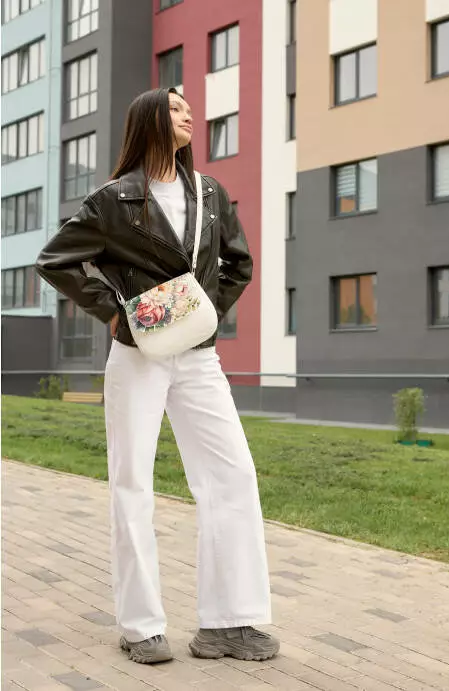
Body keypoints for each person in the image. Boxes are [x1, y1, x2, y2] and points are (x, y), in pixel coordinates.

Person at [36, 87, 279, 665]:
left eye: (188, 108)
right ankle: (141, 625)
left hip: (198, 355)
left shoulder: (210, 193)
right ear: (149, 120)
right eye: (174, 108)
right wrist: (116, 312)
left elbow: (238, 263)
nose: (187, 114)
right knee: (132, 485)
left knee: (232, 476)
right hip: (137, 353)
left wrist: (202, 310)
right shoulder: (113, 200)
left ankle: (230, 623)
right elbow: (55, 260)